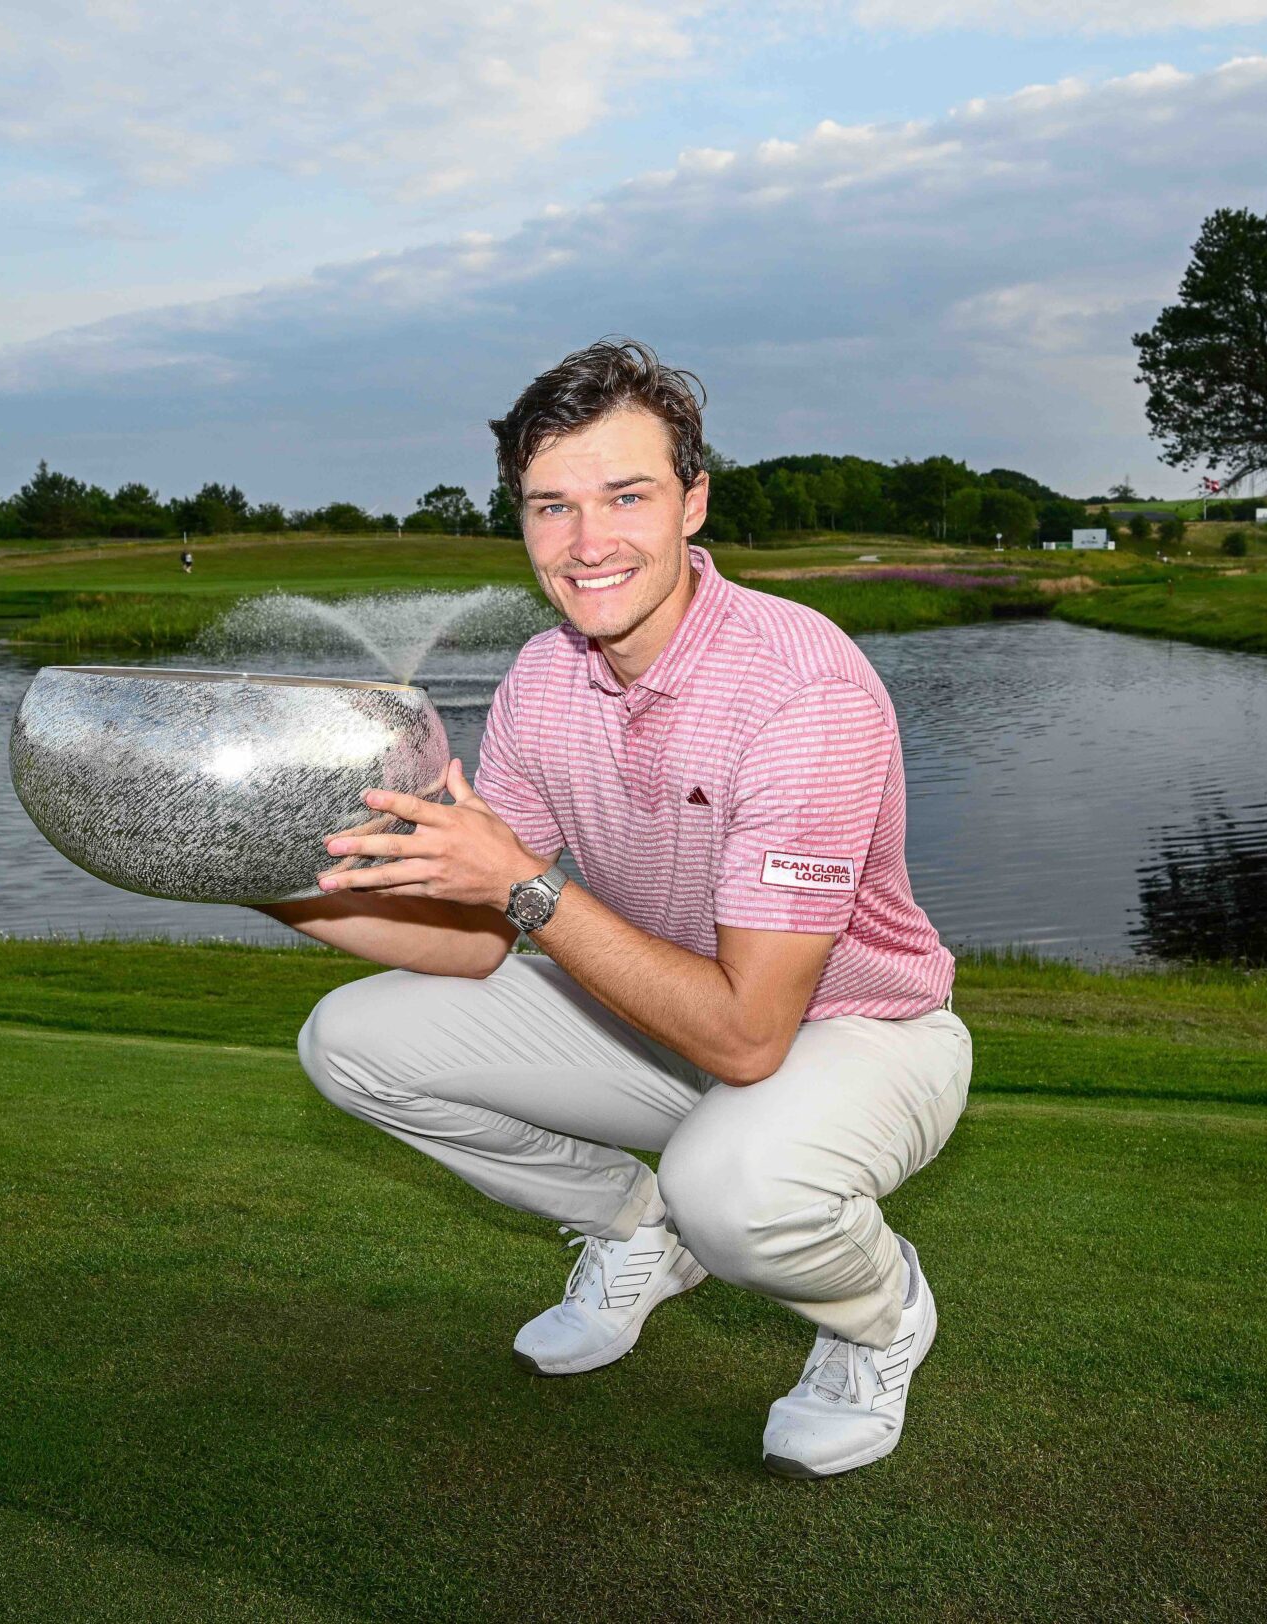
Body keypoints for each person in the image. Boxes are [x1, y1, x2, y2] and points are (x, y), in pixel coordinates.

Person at [263, 339, 970, 1481]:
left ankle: (878, 1320)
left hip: (856, 1035)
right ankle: (638, 1227)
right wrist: (260, 879)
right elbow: (479, 932)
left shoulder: (804, 690)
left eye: (625, 496)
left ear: (694, 502)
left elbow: (746, 1032)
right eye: (552, 506)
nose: (588, 544)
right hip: (649, 1010)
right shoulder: (545, 677)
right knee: (349, 1040)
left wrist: (523, 884)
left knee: (737, 1187)